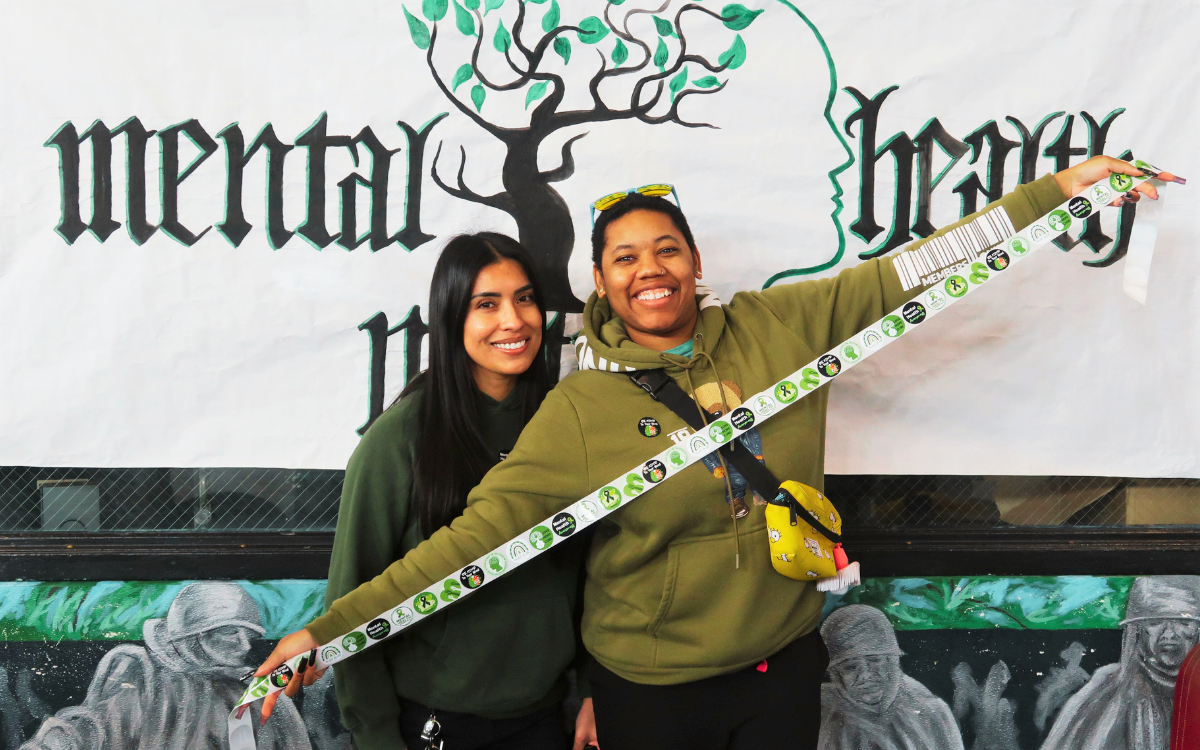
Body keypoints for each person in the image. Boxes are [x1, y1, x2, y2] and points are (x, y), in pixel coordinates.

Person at [257, 157, 1168, 750]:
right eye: (624, 258)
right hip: (648, 690)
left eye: (666, 249)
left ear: (695, 264)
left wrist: (1061, 190)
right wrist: (328, 632)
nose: (648, 268)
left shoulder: (784, 326)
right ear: (600, 283)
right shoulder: (580, 407)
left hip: (779, 666)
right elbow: (476, 537)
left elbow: (916, 270)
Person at [309, 233, 596, 750]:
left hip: (547, 716)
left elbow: (598, 570)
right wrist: (376, 737)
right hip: (434, 723)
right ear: (450, 318)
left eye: (525, 298)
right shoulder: (400, 438)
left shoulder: (565, 422)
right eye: (487, 304)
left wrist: (594, 690)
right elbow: (352, 596)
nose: (513, 320)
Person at [21, 581, 311, 750]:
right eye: (230, 632)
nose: (245, 646)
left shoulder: (255, 689)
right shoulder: (144, 674)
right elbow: (91, 725)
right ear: (194, 635)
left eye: (249, 636)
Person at [1041, 575, 1200, 750]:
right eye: (1155, 622)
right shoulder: (1108, 685)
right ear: (1138, 630)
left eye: (1184, 622)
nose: (1169, 634)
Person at [819, 604, 962, 750]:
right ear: (835, 674)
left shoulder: (931, 712)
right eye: (850, 667)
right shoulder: (821, 711)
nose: (865, 675)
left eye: (874, 660)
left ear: (893, 661)